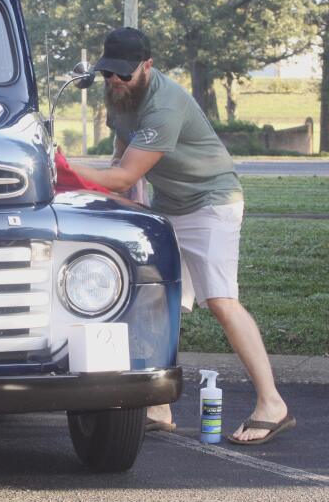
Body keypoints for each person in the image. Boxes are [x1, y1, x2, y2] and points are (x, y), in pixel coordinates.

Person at [70, 27, 295, 444]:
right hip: (171, 204)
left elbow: (122, 176)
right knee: (159, 301)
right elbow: (120, 164)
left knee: (221, 302)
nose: (115, 81)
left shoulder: (164, 105)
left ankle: (272, 403)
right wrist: (127, 208)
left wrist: (61, 167)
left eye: (124, 74)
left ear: (147, 66)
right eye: (108, 74)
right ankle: (158, 406)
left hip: (211, 203)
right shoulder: (120, 100)